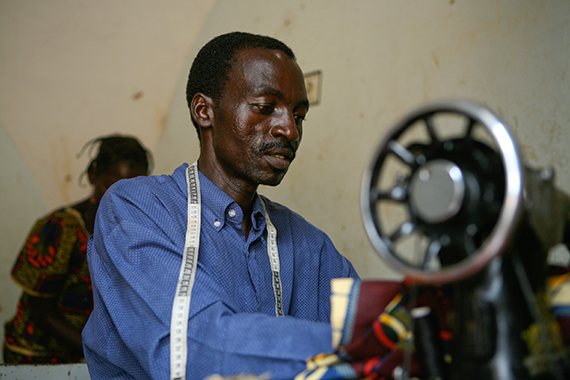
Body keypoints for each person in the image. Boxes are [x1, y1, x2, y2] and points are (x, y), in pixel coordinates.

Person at [82, 31, 359, 380]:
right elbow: (193, 346)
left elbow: (377, 327)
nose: (289, 129)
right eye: (265, 107)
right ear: (204, 111)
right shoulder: (136, 209)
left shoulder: (309, 245)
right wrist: (371, 343)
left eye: (299, 115)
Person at [3, 135, 152, 364]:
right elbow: (41, 312)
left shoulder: (134, 232)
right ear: (93, 176)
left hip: (84, 355)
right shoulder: (60, 228)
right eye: (111, 186)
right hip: (38, 355)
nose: (122, 198)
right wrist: (99, 351)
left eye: (133, 189)